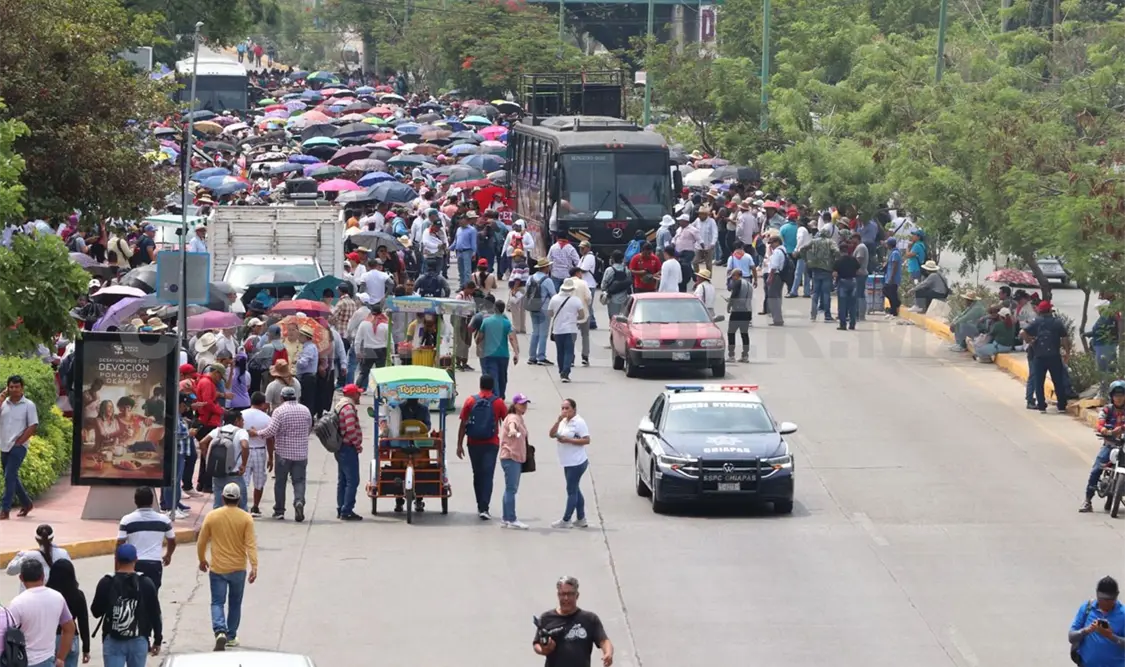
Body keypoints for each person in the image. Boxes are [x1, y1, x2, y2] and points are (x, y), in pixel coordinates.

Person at [197, 482, 258, 652]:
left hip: (218, 568)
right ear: (239, 499)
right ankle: (231, 636)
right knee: (235, 603)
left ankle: (220, 631)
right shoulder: (246, 518)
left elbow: (202, 541)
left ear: (222, 498)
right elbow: (251, 544)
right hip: (238, 568)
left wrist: (202, 559)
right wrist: (254, 566)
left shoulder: (212, 516)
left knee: (217, 602)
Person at [90, 544, 162, 667]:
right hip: (139, 639)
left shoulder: (107, 582)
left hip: (112, 639)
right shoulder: (145, 582)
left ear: (116, 560)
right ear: (136, 560)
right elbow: (155, 614)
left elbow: (96, 612)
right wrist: (157, 639)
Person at [250, 386, 313, 522]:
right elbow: (309, 429)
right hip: (301, 453)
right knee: (299, 481)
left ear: (282, 398)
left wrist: (256, 433)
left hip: (283, 453)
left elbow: (270, 431)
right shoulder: (305, 410)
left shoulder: (279, 411)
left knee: (280, 482)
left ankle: (279, 510)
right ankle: (299, 501)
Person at [8, 558, 77, 667]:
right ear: (43, 576)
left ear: (21, 578)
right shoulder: (57, 598)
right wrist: (60, 658)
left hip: (24, 661)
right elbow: (70, 628)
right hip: (48, 660)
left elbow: (6, 633)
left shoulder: (17, 603)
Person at [456, 375, 508, 520]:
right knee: (488, 474)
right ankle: (484, 507)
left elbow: (463, 424)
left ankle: (480, 505)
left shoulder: (470, 401)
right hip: (491, 443)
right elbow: (508, 421)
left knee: (477, 474)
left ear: (480, 385)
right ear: (493, 386)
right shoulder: (498, 402)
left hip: (473, 443)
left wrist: (459, 444)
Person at [532, 576, 613, 667]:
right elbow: (536, 644)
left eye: (570, 594)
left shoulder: (590, 619)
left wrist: (608, 653)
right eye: (562, 594)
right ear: (558, 595)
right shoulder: (546, 618)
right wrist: (544, 649)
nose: (566, 598)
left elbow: (604, 641)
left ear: (577, 595)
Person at [116, 487, 176, 590]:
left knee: (132, 596)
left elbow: (119, 545)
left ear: (135, 501)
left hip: (133, 564)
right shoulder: (164, 520)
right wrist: (168, 555)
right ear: (152, 501)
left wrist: (117, 567)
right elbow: (172, 540)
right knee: (152, 596)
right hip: (154, 564)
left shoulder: (126, 520)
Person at [1081, 380, 1125, 513]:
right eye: (1116, 395)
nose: (1119, 398)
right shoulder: (1107, 409)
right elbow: (1100, 423)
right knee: (1096, 470)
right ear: (1112, 396)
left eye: (1122, 395)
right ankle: (1088, 500)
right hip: (1110, 445)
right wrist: (1104, 430)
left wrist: (1121, 428)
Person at [1, 374, 40, 519]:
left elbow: (33, 425)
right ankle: (27, 503)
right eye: (11, 387)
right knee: (11, 477)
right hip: (4, 445)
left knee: (9, 476)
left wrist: (20, 442)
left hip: (18, 446)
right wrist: (1, 397)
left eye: (17, 387)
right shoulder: (4, 403)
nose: (14, 389)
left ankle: (4, 510)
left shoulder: (28, 405)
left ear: (22, 388)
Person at [1021, 300, 1071, 413]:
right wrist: (1067, 352)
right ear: (1049, 310)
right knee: (1058, 381)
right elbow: (1065, 338)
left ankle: (1042, 405)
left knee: (1039, 382)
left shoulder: (1036, 322)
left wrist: (1030, 342)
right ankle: (1062, 405)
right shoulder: (1057, 322)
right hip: (1054, 356)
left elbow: (1022, 333)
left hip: (1039, 356)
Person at [548, 398, 591, 529]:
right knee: (575, 489)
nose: (564, 411)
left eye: (567, 408)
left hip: (576, 462)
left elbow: (586, 440)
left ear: (574, 409)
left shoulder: (579, 422)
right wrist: (558, 421)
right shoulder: (563, 422)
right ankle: (581, 518)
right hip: (567, 461)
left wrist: (568, 440)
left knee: (571, 490)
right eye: (563, 408)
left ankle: (566, 519)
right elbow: (551, 434)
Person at [197, 410, 249, 512]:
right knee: (242, 506)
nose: (243, 422)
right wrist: (243, 464)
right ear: (237, 420)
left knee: (218, 506)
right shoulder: (241, 432)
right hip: (235, 475)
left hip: (218, 473)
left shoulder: (218, 430)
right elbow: (245, 445)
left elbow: (202, 442)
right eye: (242, 420)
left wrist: (207, 458)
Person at [1069, 575, 1125, 666]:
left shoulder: (1123, 615)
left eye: (1109, 600)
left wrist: (1111, 636)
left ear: (1116, 596)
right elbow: (1071, 637)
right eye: (1102, 599)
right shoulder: (1087, 608)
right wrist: (1086, 630)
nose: (1105, 603)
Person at [45, 560, 90, 667]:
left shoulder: (47, 594)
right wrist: (86, 648)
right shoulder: (78, 595)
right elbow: (83, 622)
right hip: (71, 639)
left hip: (50, 638)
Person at [499, 393, 531, 530]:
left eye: (526, 404)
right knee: (511, 489)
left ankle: (506, 518)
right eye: (522, 404)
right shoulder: (513, 418)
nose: (524, 406)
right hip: (511, 457)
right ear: (515, 405)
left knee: (509, 489)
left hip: (513, 457)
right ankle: (511, 519)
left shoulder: (519, 418)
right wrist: (512, 430)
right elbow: (513, 426)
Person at [6, 524, 71, 591]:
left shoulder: (29, 556)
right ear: (52, 537)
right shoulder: (63, 553)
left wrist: (20, 555)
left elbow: (10, 570)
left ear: (36, 539)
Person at [239, 393, 273, 517]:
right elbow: (270, 439)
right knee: (259, 481)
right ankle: (255, 507)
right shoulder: (267, 418)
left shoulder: (241, 415)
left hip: (244, 450)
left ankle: (241, 507)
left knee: (243, 480)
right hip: (260, 450)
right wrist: (271, 457)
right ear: (263, 404)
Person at [477, 301, 519, 399]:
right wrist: (516, 353)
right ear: (503, 309)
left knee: (492, 376)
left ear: (494, 308)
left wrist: (479, 347)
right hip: (503, 355)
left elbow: (479, 337)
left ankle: (495, 397)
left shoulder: (486, 322)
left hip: (489, 354)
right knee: (502, 377)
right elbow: (512, 338)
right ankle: (501, 395)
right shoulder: (507, 323)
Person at [335, 384, 364, 521]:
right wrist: (357, 445)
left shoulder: (341, 405)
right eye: (358, 393)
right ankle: (347, 510)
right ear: (353, 395)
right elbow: (351, 429)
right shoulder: (348, 409)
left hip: (341, 447)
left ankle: (341, 508)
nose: (360, 396)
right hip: (348, 447)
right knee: (353, 480)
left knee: (343, 480)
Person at [548, 279, 587, 383]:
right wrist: (574, 318)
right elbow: (582, 315)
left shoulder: (554, 299)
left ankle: (561, 370)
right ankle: (566, 372)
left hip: (557, 330)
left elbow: (550, 314)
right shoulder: (576, 300)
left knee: (560, 352)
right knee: (569, 352)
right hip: (571, 329)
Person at [526, 258, 557, 366]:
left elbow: (527, 292)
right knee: (543, 333)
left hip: (533, 306)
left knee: (535, 332)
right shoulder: (547, 280)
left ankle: (532, 356)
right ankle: (541, 357)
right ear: (545, 268)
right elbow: (554, 295)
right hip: (544, 308)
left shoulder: (530, 278)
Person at [724, 268, 753, 363]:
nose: (732, 278)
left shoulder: (738, 283)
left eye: (733, 276)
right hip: (747, 311)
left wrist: (729, 305)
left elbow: (734, 295)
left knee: (731, 332)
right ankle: (745, 355)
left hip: (738, 311)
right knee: (744, 334)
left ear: (737, 275)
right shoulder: (749, 284)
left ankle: (731, 355)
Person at [833, 246, 861, 330]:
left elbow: (835, 274)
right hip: (853, 282)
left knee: (842, 305)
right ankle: (852, 324)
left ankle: (843, 325)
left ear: (840, 252)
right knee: (852, 304)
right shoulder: (853, 259)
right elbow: (858, 271)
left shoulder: (838, 261)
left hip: (842, 282)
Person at [599, 250, 632, 320]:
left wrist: (606, 291)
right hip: (624, 298)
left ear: (612, 259)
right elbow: (629, 284)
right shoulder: (626, 270)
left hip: (612, 299)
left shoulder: (609, 270)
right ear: (622, 259)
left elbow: (603, 285)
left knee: (613, 319)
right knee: (623, 319)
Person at [764, 234, 786, 326]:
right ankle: (777, 318)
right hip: (779, 276)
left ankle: (777, 319)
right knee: (777, 297)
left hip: (775, 275)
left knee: (773, 298)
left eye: (772, 243)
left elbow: (774, 266)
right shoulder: (782, 250)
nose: (771, 245)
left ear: (777, 242)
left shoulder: (777, 252)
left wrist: (770, 277)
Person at [883, 238, 903, 318]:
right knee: (887, 292)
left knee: (890, 292)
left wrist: (892, 277)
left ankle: (895, 307)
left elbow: (895, 266)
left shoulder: (895, 253)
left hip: (893, 277)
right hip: (889, 276)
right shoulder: (892, 252)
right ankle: (893, 308)